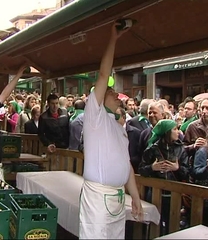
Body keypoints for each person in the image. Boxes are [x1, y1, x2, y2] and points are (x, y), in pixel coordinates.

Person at [79, 22, 142, 239]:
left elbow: (127, 165)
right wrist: (113, 38)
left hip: (118, 198)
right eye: (111, 92)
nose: (116, 94)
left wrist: (134, 196)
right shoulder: (94, 116)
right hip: (97, 197)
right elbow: (104, 74)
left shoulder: (119, 126)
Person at [138, 119, 189, 235]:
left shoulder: (181, 149)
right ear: (166, 132)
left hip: (174, 194)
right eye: (175, 129)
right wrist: (152, 167)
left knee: (173, 224)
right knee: (155, 224)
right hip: (155, 193)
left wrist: (177, 168)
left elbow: (187, 172)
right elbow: (141, 170)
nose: (178, 132)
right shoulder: (152, 149)